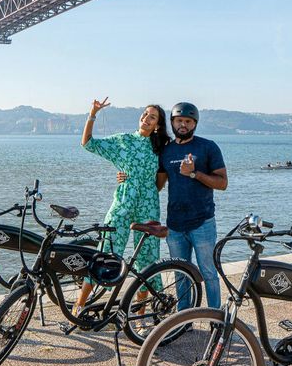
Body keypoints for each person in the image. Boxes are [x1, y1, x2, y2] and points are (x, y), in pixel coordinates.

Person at [73, 98, 171, 315]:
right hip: (123, 202)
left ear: (158, 125)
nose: (146, 118)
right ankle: (79, 306)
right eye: (145, 114)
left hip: (148, 206)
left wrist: (142, 185)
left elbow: (160, 183)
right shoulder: (123, 141)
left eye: (152, 117)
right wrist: (93, 114)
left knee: (147, 257)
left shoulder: (161, 148)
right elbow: (88, 143)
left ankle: (140, 314)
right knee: (107, 250)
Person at [157, 102, 227, 309]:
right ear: (172, 122)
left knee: (208, 273)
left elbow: (222, 183)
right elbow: (157, 185)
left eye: (188, 121)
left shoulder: (207, 147)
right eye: (179, 120)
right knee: (181, 274)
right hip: (175, 225)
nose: (183, 125)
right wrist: (125, 177)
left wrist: (194, 173)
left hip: (202, 222)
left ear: (195, 123)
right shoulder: (166, 151)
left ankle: (215, 317)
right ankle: (183, 318)